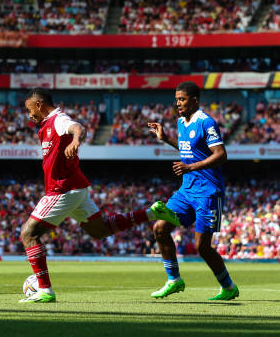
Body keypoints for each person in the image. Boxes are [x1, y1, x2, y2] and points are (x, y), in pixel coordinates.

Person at [19, 88, 179, 303]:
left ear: (39, 105)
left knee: (28, 233)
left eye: (30, 109)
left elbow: (77, 127)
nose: (29, 115)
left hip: (63, 188)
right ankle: (151, 213)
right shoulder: (45, 125)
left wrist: (76, 140)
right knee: (99, 230)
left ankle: (45, 290)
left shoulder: (58, 119)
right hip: (76, 188)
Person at [147, 81, 239, 300]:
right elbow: (189, 148)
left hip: (208, 191)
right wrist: (166, 139)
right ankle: (174, 280)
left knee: (202, 247)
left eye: (182, 99)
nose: (178, 103)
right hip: (186, 190)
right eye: (177, 99)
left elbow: (220, 154)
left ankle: (228, 287)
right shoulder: (181, 122)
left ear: (194, 100)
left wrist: (190, 167)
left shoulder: (206, 122)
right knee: (160, 228)